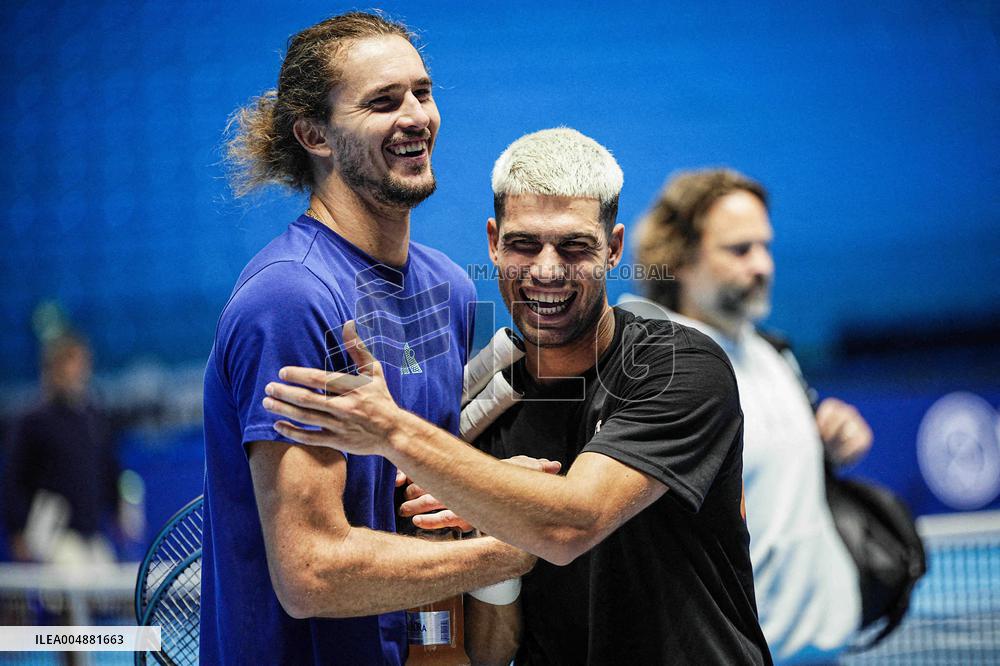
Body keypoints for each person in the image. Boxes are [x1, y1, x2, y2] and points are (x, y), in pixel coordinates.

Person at [264, 128, 772, 665]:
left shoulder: (679, 366)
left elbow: (572, 521)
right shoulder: (484, 412)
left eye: (575, 246)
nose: (546, 270)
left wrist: (393, 432)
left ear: (614, 248)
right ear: (493, 242)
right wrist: (492, 534)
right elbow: (490, 650)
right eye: (524, 244)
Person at [202, 12, 536, 665]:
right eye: (383, 102)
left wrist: (490, 493)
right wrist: (513, 546)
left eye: (422, 92)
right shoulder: (291, 299)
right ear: (313, 134)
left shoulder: (448, 289)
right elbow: (312, 571)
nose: (416, 116)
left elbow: (413, 501)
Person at [622, 168, 874, 663]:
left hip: (823, 650)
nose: (761, 265)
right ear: (680, 257)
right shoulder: (657, 368)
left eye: (765, 246)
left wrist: (832, 443)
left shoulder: (775, 355)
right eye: (739, 250)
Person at [3, 333, 119, 564]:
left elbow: (108, 467)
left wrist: (117, 508)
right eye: (70, 361)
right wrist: (17, 530)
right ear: (53, 368)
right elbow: (13, 479)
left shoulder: (94, 417)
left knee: (113, 587)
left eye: (82, 361)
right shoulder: (33, 421)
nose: (78, 369)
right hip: (53, 536)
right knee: (72, 587)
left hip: (92, 534)